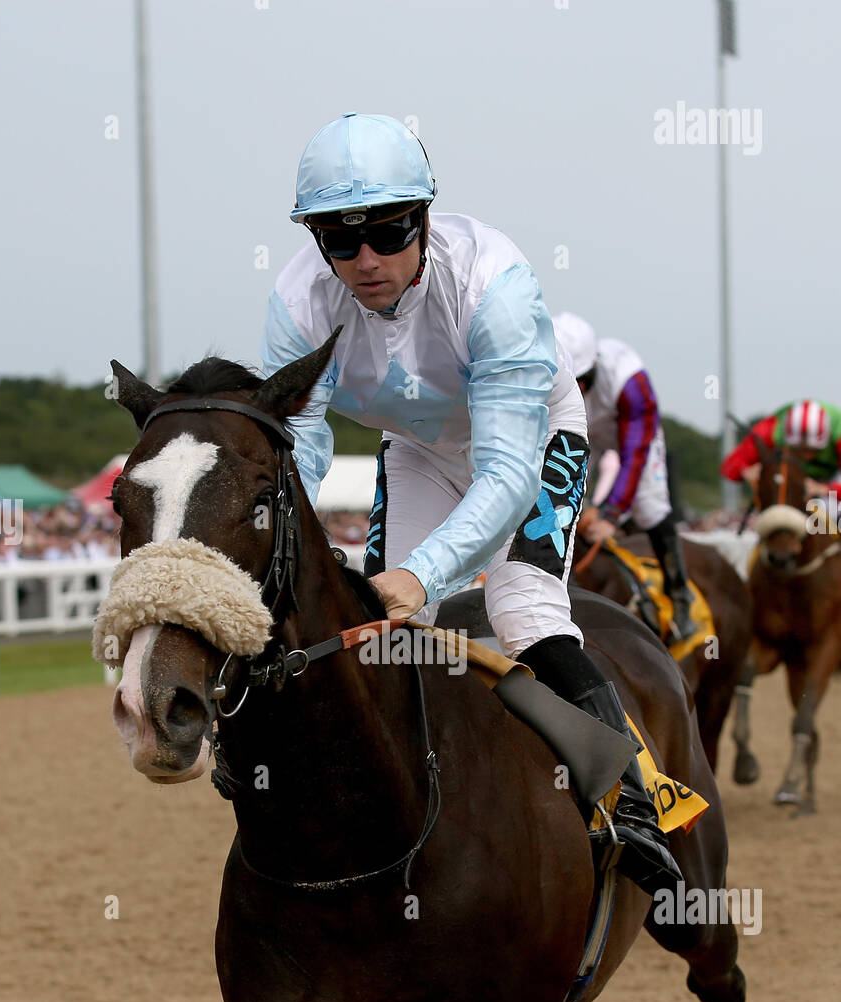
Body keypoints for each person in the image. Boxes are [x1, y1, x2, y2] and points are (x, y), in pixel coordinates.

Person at [261, 112, 680, 895]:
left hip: (529, 440)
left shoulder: (494, 282)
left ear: (423, 217)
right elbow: (302, 446)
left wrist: (424, 572)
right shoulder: (299, 302)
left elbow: (507, 473)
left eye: (387, 232)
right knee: (399, 634)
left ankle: (638, 801)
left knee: (521, 609)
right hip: (417, 448)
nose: (366, 260)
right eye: (339, 241)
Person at [554, 311, 698, 644]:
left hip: (628, 435)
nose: (570, 389)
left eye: (578, 381)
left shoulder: (629, 380)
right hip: (579, 427)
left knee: (650, 506)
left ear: (590, 371)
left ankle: (680, 596)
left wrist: (611, 514)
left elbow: (633, 457)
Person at [721, 400, 841, 499]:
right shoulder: (770, 430)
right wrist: (745, 470)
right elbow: (728, 467)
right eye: (799, 450)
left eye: (812, 450)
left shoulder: (838, 432)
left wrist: (827, 489)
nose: (806, 457)